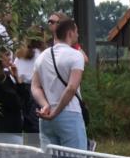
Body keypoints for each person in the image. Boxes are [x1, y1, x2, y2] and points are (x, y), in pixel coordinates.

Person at [31, 18, 88, 150]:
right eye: (76, 32)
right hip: (70, 113)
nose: (78, 35)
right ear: (70, 33)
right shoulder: (75, 56)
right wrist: (56, 112)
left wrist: (45, 105)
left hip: (45, 117)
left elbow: (35, 86)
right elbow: (72, 87)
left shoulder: (42, 57)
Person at [47, 11, 95, 149]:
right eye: (49, 21)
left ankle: (85, 144)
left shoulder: (73, 49)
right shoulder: (47, 46)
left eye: (54, 22)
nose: (50, 24)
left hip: (68, 103)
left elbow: (84, 59)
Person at [14, 30, 45, 146]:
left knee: (27, 124)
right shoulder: (42, 56)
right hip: (36, 90)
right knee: (36, 123)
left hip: (22, 90)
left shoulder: (19, 56)